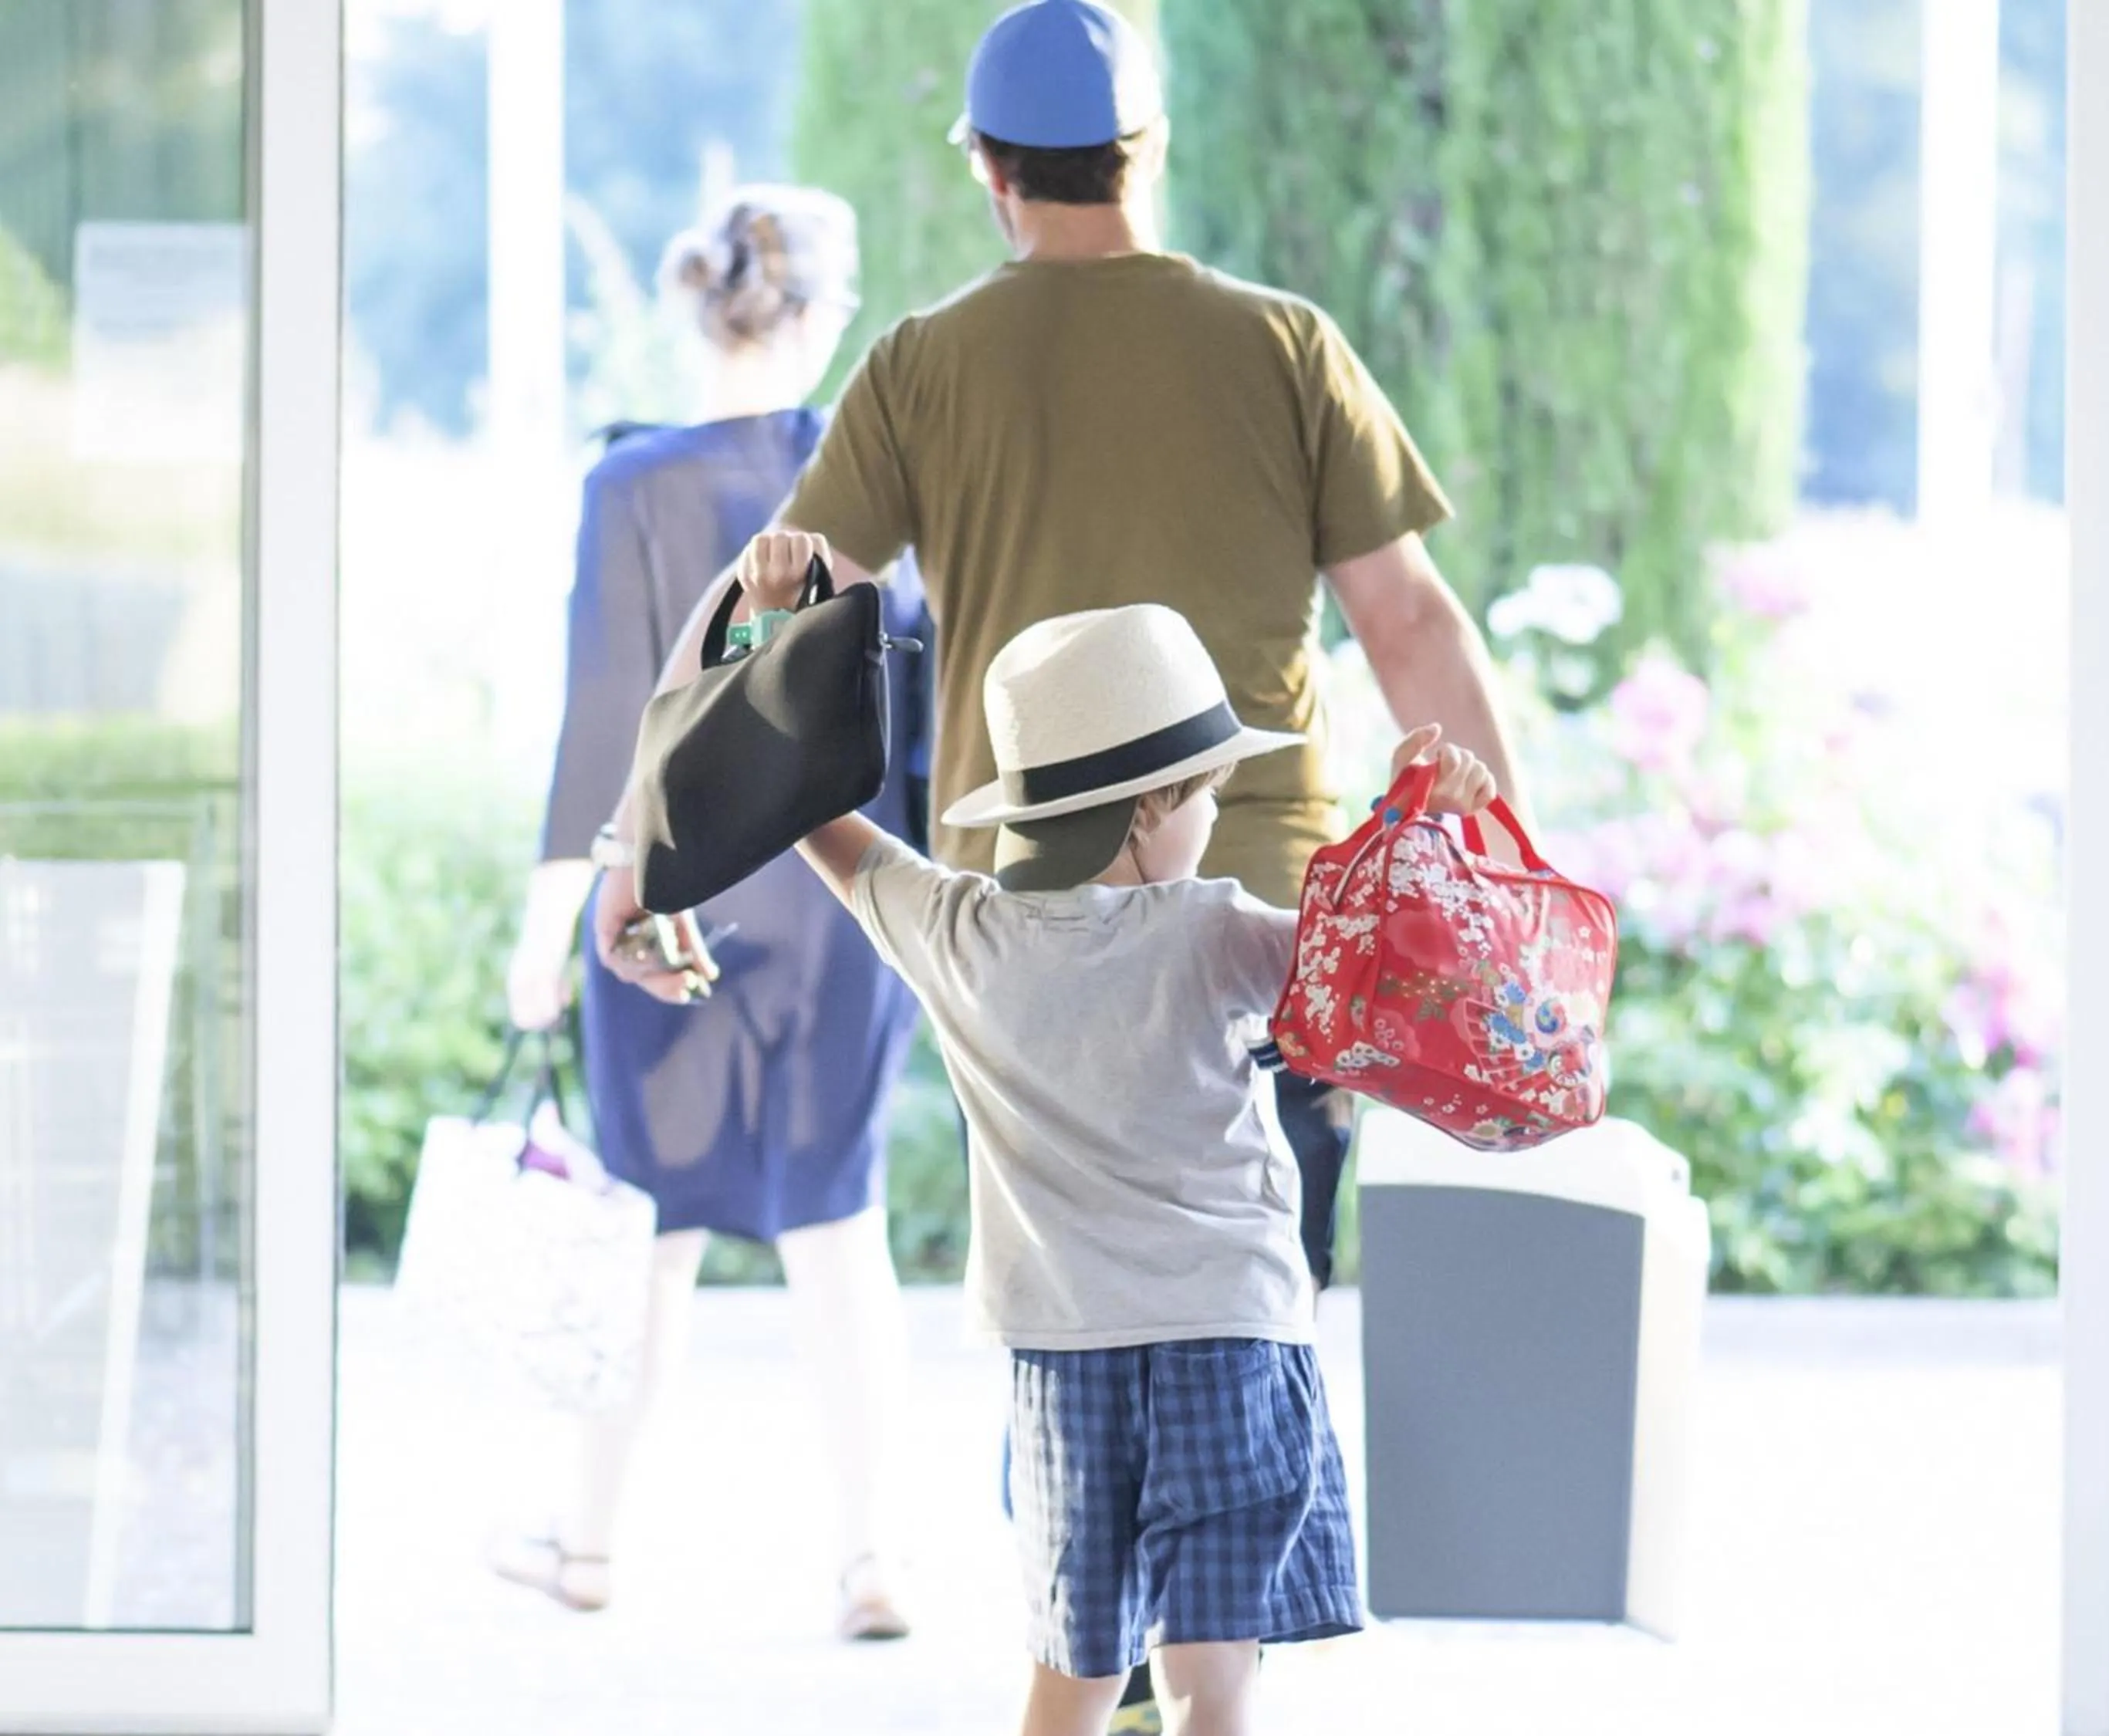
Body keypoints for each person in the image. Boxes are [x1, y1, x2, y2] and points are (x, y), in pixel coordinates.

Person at [593, 5, 1521, 1721]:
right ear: (1145, 150)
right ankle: (1195, 1679)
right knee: (1241, 1314)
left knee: (1081, 1334)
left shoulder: (929, 362)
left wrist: (637, 863)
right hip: (1274, 944)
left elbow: (759, 614)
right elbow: (1411, 627)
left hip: (1030, 943)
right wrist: (1494, 894)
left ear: (990, 171)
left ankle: (1095, 1646)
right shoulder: (1286, 344)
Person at [716, 531, 1504, 1736]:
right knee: (1212, 1679)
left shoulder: (956, 933)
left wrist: (772, 629)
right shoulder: (1218, 931)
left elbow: (812, 815)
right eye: (1203, 795)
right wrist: (1424, 824)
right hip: (1229, 1332)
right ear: (1147, 810)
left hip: (1063, 1349)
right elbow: (1386, 983)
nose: (1212, 818)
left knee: (1072, 1670)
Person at [498, 186, 927, 1641]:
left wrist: (545, 933)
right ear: (819, 315)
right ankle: (873, 1561)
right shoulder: (877, 487)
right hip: (846, 900)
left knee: (651, 1235)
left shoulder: (629, 487)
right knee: (839, 1229)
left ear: (701, 306)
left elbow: (604, 724)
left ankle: (592, 1542)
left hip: (662, 905)